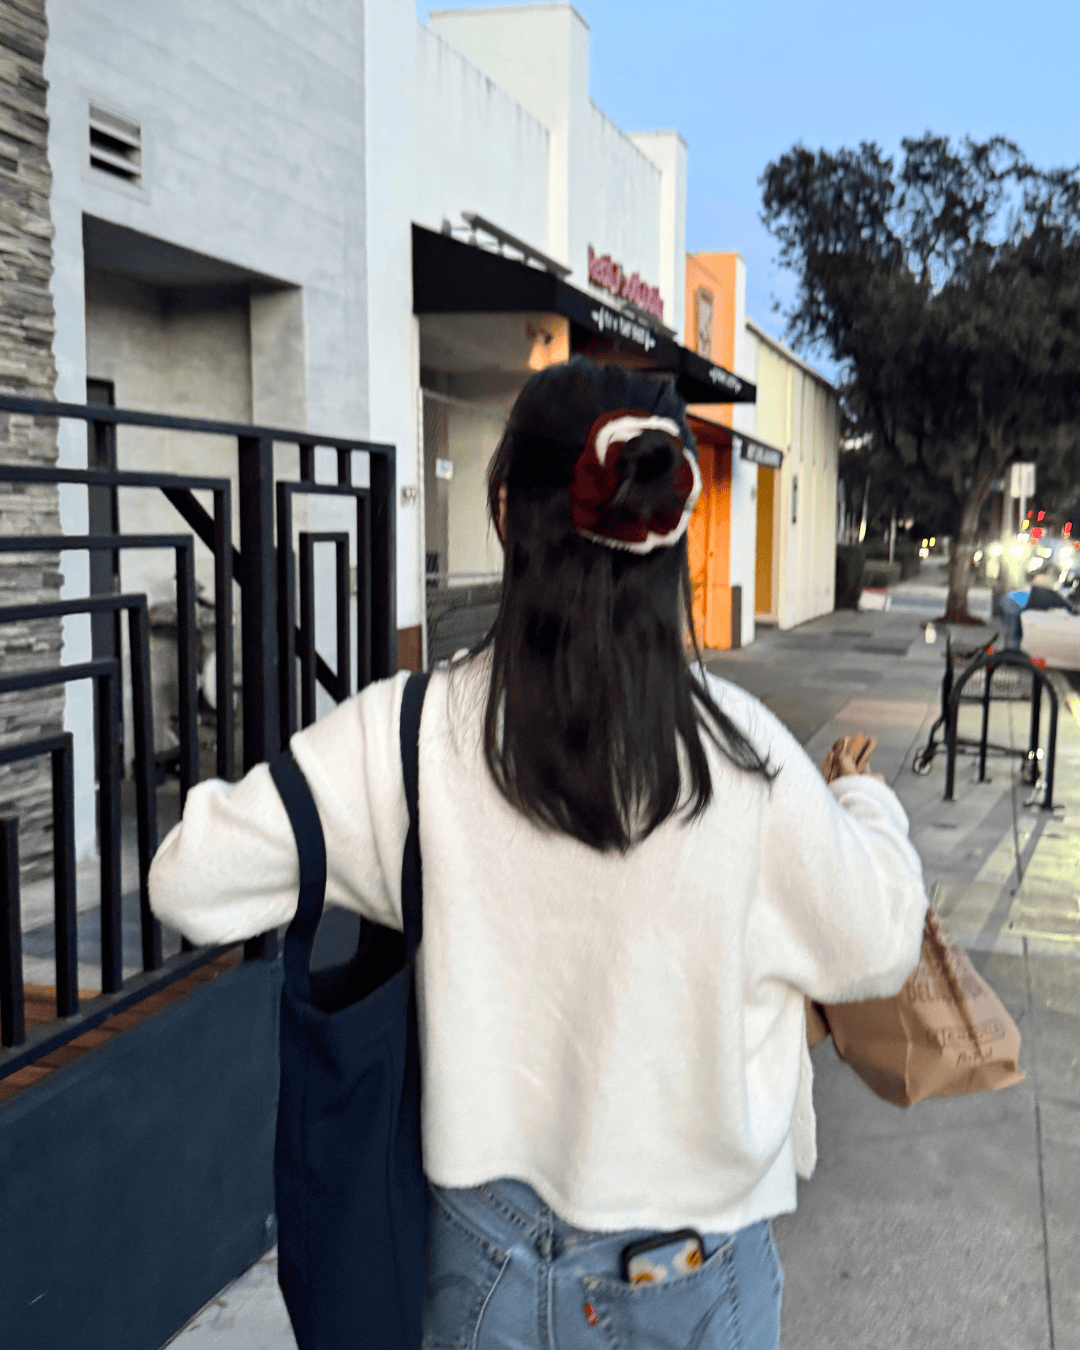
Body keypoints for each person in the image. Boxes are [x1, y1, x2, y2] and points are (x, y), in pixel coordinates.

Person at [149, 357, 928, 1350]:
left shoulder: (406, 739)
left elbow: (188, 880)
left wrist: (396, 873)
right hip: (696, 1277)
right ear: (671, 531)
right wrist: (864, 802)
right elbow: (879, 944)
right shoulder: (748, 758)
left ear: (506, 515)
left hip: (484, 1271)